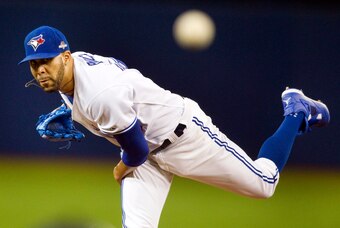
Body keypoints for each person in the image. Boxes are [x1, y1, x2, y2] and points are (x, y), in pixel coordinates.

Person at [19, 25, 330, 227]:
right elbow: (120, 68)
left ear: (66, 56)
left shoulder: (101, 93)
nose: (41, 69)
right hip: (147, 150)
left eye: (47, 60)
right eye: (35, 64)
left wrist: (118, 170)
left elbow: (136, 151)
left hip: (182, 138)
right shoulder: (74, 71)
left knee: (264, 184)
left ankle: (296, 110)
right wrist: (75, 109)